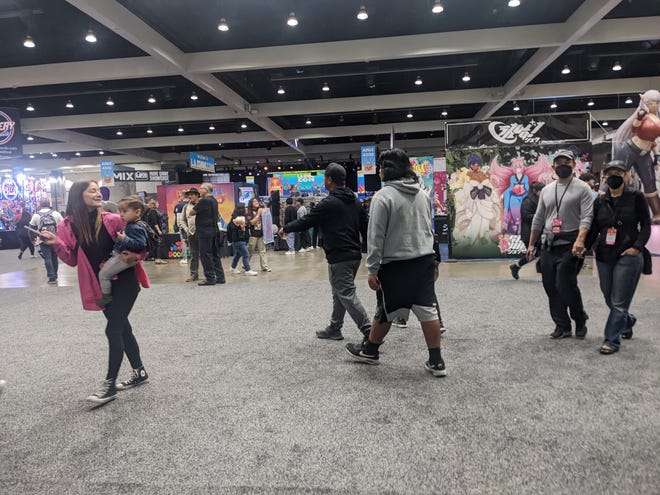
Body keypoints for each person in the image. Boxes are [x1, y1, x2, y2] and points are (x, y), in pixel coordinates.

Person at [40, 181, 150, 405]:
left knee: (113, 329)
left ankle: (109, 385)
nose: (98, 193)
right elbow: (71, 260)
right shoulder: (67, 226)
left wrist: (136, 257)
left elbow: (144, 244)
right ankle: (139, 372)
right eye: (92, 190)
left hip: (125, 282)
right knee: (122, 329)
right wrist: (56, 243)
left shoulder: (113, 219)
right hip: (101, 286)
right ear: (78, 196)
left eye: (98, 189)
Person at [344, 149, 446, 377]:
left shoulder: (384, 196)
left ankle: (370, 350)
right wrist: (435, 258)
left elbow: (376, 236)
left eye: (380, 167)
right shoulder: (421, 194)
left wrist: (371, 269)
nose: (378, 171)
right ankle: (437, 361)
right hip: (424, 260)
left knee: (386, 309)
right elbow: (429, 229)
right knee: (428, 310)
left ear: (387, 169)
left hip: (395, 264)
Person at [280, 163, 371, 342]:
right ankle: (335, 328)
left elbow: (307, 221)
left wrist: (286, 228)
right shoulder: (355, 201)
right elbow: (365, 227)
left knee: (345, 293)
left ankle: (370, 333)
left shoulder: (329, 203)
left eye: (324, 178)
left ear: (329, 180)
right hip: (353, 255)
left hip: (339, 256)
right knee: (339, 293)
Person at [527, 150, 594, 339]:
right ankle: (562, 325)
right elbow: (539, 218)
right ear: (553, 166)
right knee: (550, 286)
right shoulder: (547, 190)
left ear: (573, 165)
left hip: (571, 245)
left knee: (564, 283)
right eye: (558, 162)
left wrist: (581, 240)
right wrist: (531, 244)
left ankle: (579, 319)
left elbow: (587, 217)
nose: (562, 165)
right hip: (548, 244)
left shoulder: (583, 188)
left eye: (566, 162)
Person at [586, 161, 651, 355]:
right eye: (610, 173)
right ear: (604, 176)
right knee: (609, 297)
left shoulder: (636, 197)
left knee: (619, 301)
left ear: (626, 176)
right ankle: (628, 321)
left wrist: (637, 247)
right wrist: (585, 247)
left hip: (628, 255)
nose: (614, 176)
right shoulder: (600, 201)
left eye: (619, 173)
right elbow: (595, 228)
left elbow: (646, 225)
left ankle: (611, 340)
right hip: (604, 255)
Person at [613, 90, 660, 223]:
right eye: (651, 103)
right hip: (630, 150)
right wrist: (639, 117)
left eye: (657, 102)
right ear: (646, 103)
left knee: (650, 183)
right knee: (616, 178)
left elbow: (652, 140)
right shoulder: (643, 116)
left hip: (644, 154)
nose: (655, 105)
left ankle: (657, 214)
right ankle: (605, 208)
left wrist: (656, 156)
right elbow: (634, 128)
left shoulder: (656, 117)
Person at [96, 197, 148, 308]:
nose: (121, 215)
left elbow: (141, 245)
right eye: (120, 211)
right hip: (119, 255)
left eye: (125, 211)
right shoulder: (130, 225)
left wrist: (125, 239)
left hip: (123, 257)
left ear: (137, 212)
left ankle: (106, 296)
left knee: (103, 275)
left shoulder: (135, 227)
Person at [189, 183, 226, 286]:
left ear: (205, 190)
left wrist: (196, 202)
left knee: (205, 255)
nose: (199, 191)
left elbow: (191, 212)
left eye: (200, 189)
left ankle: (210, 278)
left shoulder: (204, 201)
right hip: (213, 230)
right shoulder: (213, 200)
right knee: (215, 254)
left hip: (204, 231)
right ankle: (220, 276)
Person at [510, 182, 545, 280]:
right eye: (542, 190)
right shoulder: (528, 201)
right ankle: (545, 274)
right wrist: (539, 217)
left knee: (537, 254)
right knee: (535, 254)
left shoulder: (541, 200)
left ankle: (516, 266)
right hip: (529, 233)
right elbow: (525, 216)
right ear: (536, 191)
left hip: (539, 231)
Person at [30, 199, 63, 284]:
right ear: (49, 204)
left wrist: (33, 239)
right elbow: (63, 225)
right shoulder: (56, 213)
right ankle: (55, 275)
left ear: (40, 204)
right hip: (55, 240)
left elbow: (31, 228)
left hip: (43, 241)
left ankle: (51, 277)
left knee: (47, 258)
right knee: (54, 258)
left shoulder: (36, 215)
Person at [228, 204, 258, 276]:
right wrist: (239, 226)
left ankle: (232, 267)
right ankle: (248, 269)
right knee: (245, 254)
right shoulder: (235, 219)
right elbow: (232, 229)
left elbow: (248, 224)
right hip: (238, 240)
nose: (246, 209)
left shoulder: (244, 217)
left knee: (238, 255)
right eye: (245, 207)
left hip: (243, 239)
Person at [179, 188, 200, 282]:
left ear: (197, 195)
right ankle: (194, 274)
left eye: (192, 194)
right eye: (189, 195)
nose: (190, 196)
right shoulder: (185, 207)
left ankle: (210, 273)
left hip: (202, 233)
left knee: (206, 254)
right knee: (194, 255)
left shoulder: (202, 204)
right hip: (191, 234)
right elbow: (182, 220)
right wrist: (186, 229)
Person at [246, 197, 271, 272]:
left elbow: (268, 216)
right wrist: (258, 214)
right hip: (253, 234)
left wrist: (264, 207)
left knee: (263, 251)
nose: (256, 202)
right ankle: (245, 265)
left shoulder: (261, 209)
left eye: (257, 201)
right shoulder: (249, 212)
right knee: (250, 251)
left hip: (261, 234)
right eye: (254, 201)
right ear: (251, 203)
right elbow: (251, 223)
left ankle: (264, 266)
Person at [142, 199, 167, 264]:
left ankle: (152, 257)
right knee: (158, 244)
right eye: (157, 203)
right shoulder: (153, 212)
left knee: (154, 245)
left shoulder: (148, 212)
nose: (158, 204)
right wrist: (159, 230)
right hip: (155, 230)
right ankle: (158, 259)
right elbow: (154, 222)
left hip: (150, 230)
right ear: (153, 204)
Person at [173, 190, 189, 265]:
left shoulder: (179, 205)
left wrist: (178, 226)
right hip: (192, 226)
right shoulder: (192, 204)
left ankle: (185, 258)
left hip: (183, 227)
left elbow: (178, 218)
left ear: (182, 196)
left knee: (184, 243)